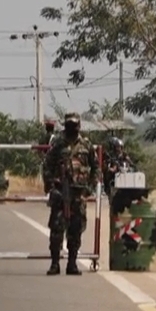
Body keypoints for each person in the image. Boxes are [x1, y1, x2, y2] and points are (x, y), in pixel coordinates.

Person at [43, 113, 100, 276]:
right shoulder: (58, 144)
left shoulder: (86, 145)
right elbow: (47, 165)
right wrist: (51, 186)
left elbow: (95, 167)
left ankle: (72, 264)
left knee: (76, 230)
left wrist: (90, 187)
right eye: (69, 124)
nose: (72, 128)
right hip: (60, 192)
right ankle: (55, 263)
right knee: (56, 230)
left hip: (78, 193)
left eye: (74, 124)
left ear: (79, 125)